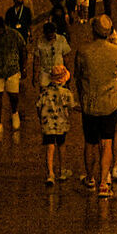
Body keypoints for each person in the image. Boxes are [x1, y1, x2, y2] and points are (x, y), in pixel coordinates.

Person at [75, 14, 117, 197]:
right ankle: (104, 183)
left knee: (90, 142)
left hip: (89, 103)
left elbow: (78, 76)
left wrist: (82, 96)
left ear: (93, 31)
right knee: (107, 142)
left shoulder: (83, 51)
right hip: (110, 103)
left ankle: (90, 177)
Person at [32, 24, 78, 185]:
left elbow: (38, 106)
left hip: (48, 124)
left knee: (50, 146)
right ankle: (62, 170)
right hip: (61, 124)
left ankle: (50, 173)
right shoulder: (66, 94)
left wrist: (41, 118)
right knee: (62, 145)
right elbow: (71, 106)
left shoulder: (44, 94)